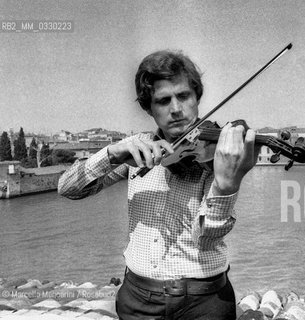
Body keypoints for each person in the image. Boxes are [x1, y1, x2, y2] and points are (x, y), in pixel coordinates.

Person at [58, 50, 260, 320]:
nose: (176, 109)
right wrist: (112, 154)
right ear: (148, 108)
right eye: (163, 101)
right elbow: (68, 188)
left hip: (205, 301)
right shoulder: (139, 150)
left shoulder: (218, 153)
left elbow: (207, 240)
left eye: (184, 96)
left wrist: (225, 186)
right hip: (137, 300)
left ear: (197, 97)